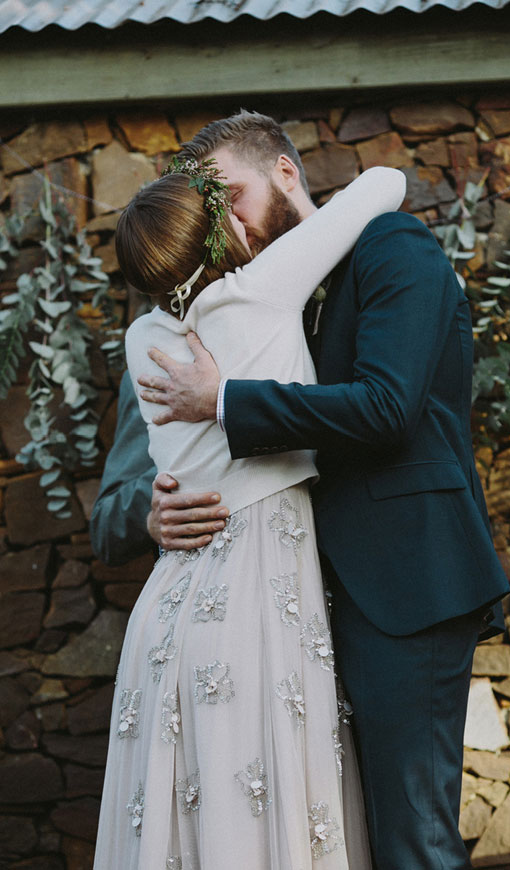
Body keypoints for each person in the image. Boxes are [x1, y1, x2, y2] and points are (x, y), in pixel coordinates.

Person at [130, 111, 510, 870]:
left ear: (283, 172)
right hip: (300, 601)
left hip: (405, 586)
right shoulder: (251, 297)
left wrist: (228, 401)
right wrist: (160, 507)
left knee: (413, 839)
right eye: (210, 210)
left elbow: (387, 406)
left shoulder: (391, 247)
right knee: (344, 837)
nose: (223, 223)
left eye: (230, 195)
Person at [92, 148, 407, 870]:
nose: (239, 215)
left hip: (169, 616)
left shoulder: (142, 340)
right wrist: (145, 513)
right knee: (264, 800)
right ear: (218, 235)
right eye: (224, 209)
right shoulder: (264, 291)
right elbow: (386, 182)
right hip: (255, 603)